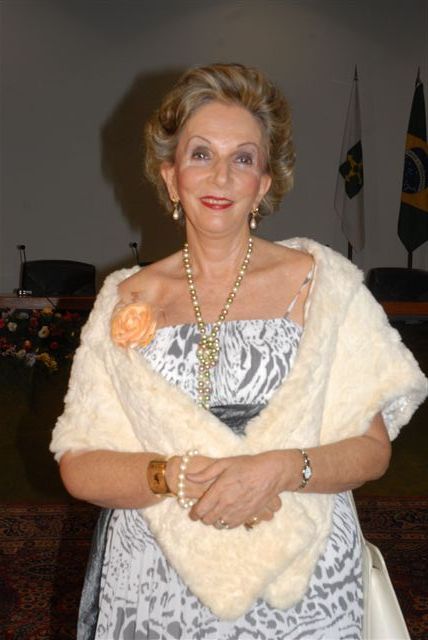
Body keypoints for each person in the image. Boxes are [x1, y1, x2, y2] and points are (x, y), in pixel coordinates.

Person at [50, 63, 427, 640]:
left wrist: (281, 469)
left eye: (243, 158)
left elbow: (372, 451)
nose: (221, 176)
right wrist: (173, 475)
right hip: (156, 585)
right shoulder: (125, 299)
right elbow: (79, 462)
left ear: (265, 182)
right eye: (201, 154)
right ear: (171, 176)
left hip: (304, 585)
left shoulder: (322, 285)